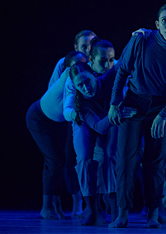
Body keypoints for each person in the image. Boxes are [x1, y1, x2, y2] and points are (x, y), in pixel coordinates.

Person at [108, 4, 166, 228]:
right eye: (165, 21)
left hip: (161, 107)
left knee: (156, 162)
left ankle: (153, 214)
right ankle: (122, 213)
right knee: (126, 160)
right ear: (157, 24)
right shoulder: (141, 39)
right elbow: (122, 71)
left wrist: (165, 114)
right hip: (134, 103)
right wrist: (114, 103)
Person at [69, 62, 137, 225]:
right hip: (90, 123)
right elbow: (99, 127)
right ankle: (92, 209)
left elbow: (125, 60)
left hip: (111, 118)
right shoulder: (80, 103)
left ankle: (115, 210)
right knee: (84, 158)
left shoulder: (108, 78)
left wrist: (139, 37)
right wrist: (117, 112)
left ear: (94, 75)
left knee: (110, 155)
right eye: (80, 85)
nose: (86, 87)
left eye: (87, 81)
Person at [26, 51, 88, 220]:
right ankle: (46, 208)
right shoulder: (68, 79)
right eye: (76, 66)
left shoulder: (81, 77)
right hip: (39, 119)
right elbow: (68, 107)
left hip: (56, 123)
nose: (81, 68)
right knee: (55, 161)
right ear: (68, 69)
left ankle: (56, 206)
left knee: (60, 161)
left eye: (85, 64)